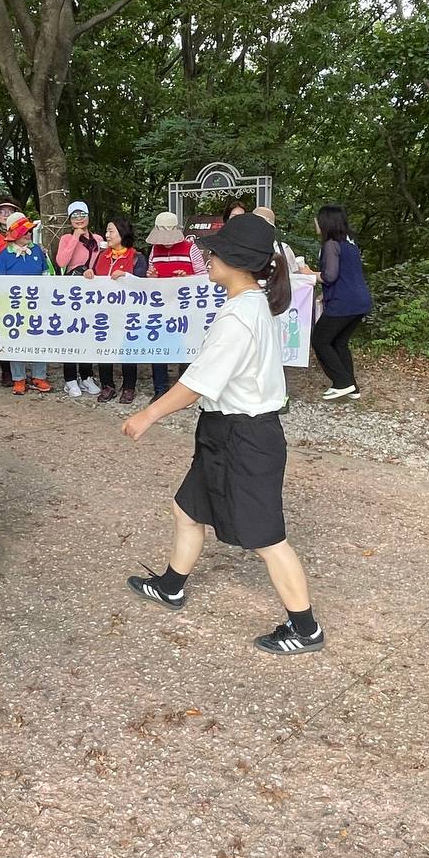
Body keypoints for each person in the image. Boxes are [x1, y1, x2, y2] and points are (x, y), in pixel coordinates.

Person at [120, 212, 325, 656]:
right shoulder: (250, 304)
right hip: (225, 430)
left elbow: (195, 385)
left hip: (244, 436)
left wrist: (147, 416)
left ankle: (306, 628)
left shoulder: (239, 317)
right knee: (187, 509)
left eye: (215, 251)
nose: (208, 257)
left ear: (237, 261)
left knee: (267, 539)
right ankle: (171, 586)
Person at [308, 205, 372, 401]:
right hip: (360, 301)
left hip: (344, 303)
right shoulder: (350, 243)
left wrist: (309, 274)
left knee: (320, 340)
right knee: (339, 342)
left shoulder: (331, 244)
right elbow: (347, 275)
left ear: (326, 221)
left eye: (318, 219)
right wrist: (325, 294)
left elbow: (330, 276)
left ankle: (342, 382)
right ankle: (352, 387)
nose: (315, 223)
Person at [83, 216, 148, 404]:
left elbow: (143, 285)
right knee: (104, 347)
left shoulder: (136, 257)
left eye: (111, 231)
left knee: (128, 348)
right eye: (107, 231)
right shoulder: (102, 256)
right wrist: (89, 273)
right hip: (104, 312)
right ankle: (107, 385)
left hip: (128, 313)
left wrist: (126, 276)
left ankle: (129, 387)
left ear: (122, 233)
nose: (107, 235)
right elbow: (95, 278)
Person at [145, 211, 205, 402]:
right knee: (158, 344)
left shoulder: (190, 248)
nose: (166, 242)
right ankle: (160, 388)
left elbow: (203, 276)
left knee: (187, 346)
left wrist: (187, 278)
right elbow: (150, 275)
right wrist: (152, 276)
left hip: (186, 307)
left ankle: (184, 390)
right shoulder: (155, 249)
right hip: (161, 306)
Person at [0, 211, 51, 395]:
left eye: (29, 231)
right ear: (14, 234)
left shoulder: (37, 251)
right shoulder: (3, 256)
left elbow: (46, 273)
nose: (28, 234)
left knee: (39, 338)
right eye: (24, 231)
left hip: (38, 303)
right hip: (14, 305)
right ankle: (18, 378)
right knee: (15, 338)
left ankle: (39, 376)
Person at [55, 200, 103, 398]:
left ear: (88, 216)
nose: (79, 218)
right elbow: (61, 262)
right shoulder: (66, 238)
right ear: (69, 219)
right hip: (72, 290)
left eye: (82, 214)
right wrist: (75, 237)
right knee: (71, 332)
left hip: (90, 290)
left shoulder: (98, 239)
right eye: (74, 215)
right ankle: (70, 379)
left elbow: (101, 261)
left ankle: (86, 375)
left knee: (87, 332)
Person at [0, 196, 21, 387]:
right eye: (2, 211)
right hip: (1, 289)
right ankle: (6, 370)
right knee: (5, 329)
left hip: (23, 289)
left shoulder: (26, 235)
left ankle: (23, 371)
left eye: (10, 211)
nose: (5, 214)